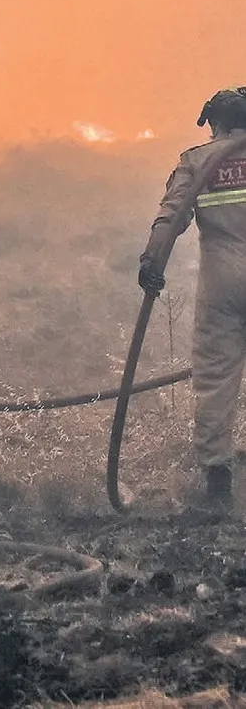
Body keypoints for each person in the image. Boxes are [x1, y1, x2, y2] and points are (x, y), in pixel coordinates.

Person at [139, 88, 246, 505]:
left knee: (216, 380)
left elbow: (172, 215)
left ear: (215, 122)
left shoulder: (198, 161)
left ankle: (218, 486)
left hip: (223, 282)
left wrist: (152, 262)